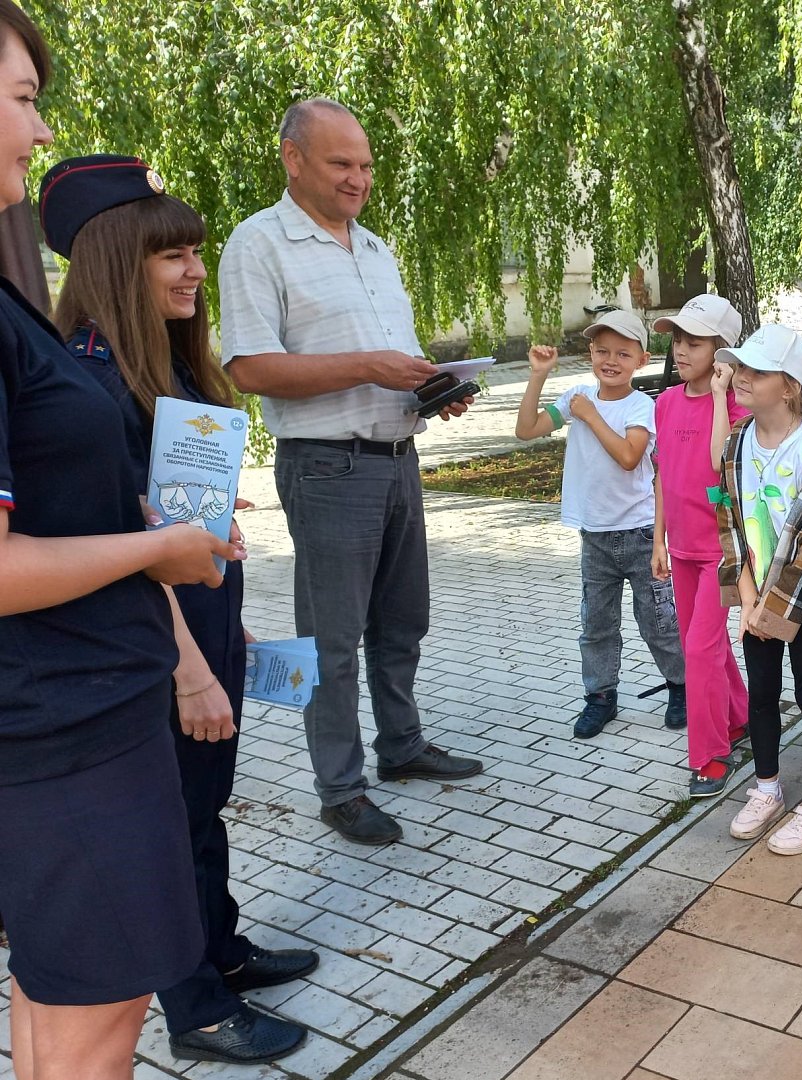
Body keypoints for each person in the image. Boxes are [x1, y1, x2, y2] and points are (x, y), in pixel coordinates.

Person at [0, 8, 241, 1077]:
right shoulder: (76, 353)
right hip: (69, 727)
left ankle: (216, 960)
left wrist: (153, 536)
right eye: (22, 98)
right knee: (94, 1017)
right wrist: (155, 553)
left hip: (87, 706)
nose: (40, 127)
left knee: (65, 1003)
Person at [40, 156, 315, 1064]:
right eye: (174, 256)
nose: (197, 271)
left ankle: (218, 949)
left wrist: (227, 625)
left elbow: (171, 516)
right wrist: (191, 671)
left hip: (199, 622)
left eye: (195, 251)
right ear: (118, 262)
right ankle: (195, 1007)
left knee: (204, 806)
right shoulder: (92, 384)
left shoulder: (159, 363)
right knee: (169, 824)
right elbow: (120, 545)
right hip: (158, 648)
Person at [220, 98, 483, 847]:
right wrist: (369, 366)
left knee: (403, 621)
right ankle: (339, 789)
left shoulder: (374, 248)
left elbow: (387, 363)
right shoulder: (259, 243)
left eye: (366, 165)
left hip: (398, 457)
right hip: (327, 467)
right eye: (341, 163)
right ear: (292, 158)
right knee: (331, 641)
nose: (358, 179)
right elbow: (248, 368)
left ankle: (400, 746)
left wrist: (431, 391)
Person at [515, 309, 686, 738]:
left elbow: (629, 457)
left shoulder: (640, 406)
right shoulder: (576, 395)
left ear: (641, 360)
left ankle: (681, 687)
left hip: (640, 533)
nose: (611, 361)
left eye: (623, 354)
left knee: (657, 621)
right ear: (590, 352)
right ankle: (600, 696)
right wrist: (538, 375)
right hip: (594, 535)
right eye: (602, 351)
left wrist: (590, 416)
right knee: (596, 624)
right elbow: (527, 429)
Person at [716, 324, 802, 853]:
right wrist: (748, 600)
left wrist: (770, 611)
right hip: (755, 601)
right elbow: (729, 517)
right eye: (740, 367)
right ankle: (766, 787)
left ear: (790, 387)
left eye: (757, 370)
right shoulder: (738, 441)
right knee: (763, 693)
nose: (741, 377)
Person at [649, 294, 750, 797]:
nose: (681, 350)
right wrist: (658, 540)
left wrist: (717, 394)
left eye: (695, 342)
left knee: (699, 649)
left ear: (722, 352)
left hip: (722, 551)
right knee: (705, 645)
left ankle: (710, 755)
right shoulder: (665, 402)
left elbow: (717, 465)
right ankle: (740, 717)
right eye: (678, 340)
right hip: (682, 548)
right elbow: (662, 475)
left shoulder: (736, 408)